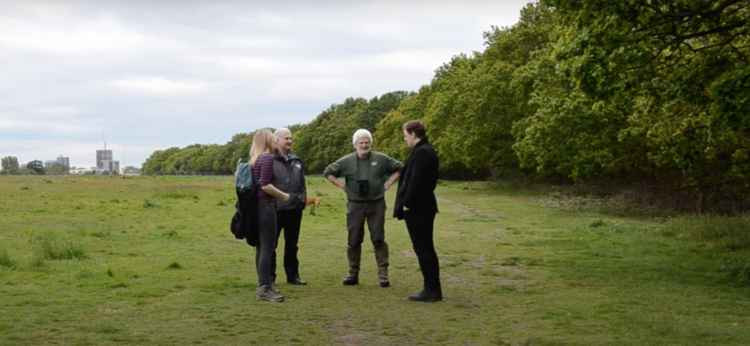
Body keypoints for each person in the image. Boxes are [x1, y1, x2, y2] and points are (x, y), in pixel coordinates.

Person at [324, 129, 402, 287]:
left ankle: (383, 275)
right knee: (353, 240)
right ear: (355, 145)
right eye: (361, 142)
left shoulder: (381, 159)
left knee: (378, 238)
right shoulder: (346, 161)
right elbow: (328, 172)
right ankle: (353, 274)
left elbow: (400, 168)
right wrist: (341, 185)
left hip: (376, 204)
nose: (364, 145)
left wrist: (388, 183)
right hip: (355, 205)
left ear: (370, 143)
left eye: (367, 142)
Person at [394, 120, 442, 302]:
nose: (405, 138)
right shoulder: (423, 151)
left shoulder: (423, 153)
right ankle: (431, 288)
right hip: (421, 207)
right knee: (424, 248)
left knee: (424, 248)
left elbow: (417, 181)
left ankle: (432, 290)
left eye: (406, 135)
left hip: (419, 208)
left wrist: (407, 203)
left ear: (413, 133)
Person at [250, 129, 290, 302]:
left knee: (261, 247)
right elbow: (265, 185)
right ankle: (265, 289)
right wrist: (284, 196)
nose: (276, 141)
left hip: (257, 208)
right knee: (267, 247)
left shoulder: (254, 160)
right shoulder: (267, 158)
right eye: (273, 139)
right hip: (266, 207)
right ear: (267, 141)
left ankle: (264, 284)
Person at [271, 128, 308, 286]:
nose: (290, 141)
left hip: (295, 209)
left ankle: (293, 276)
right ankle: (270, 278)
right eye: (286, 138)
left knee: (292, 244)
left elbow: (302, 183)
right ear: (277, 140)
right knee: (271, 245)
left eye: (291, 138)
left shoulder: (296, 160)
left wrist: (302, 200)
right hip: (275, 209)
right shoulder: (269, 160)